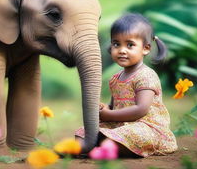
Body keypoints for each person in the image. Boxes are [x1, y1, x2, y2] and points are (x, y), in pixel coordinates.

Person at [75, 13, 178, 157]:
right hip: (120, 125)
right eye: (116, 44)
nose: (122, 50)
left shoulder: (146, 76)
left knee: (131, 134)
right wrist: (105, 109)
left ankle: (102, 149)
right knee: (85, 130)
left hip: (146, 128)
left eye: (130, 45)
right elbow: (114, 106)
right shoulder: (115, 79)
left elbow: (141, 109)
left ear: (146, 48)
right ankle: (78, 148)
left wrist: (109, 115)